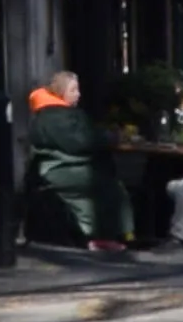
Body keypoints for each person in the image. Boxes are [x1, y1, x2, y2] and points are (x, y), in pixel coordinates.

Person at [23, 74, 128, 252]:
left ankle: (96, 234)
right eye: (73, 90)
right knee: (110, 187)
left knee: (106, 182)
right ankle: (102, 235)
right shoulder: (58, 116)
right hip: (61, 170)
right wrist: (111, 137)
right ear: (61, 92)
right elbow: (80, 141)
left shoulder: (50, 113)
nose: (78, 94)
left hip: (56, 169)